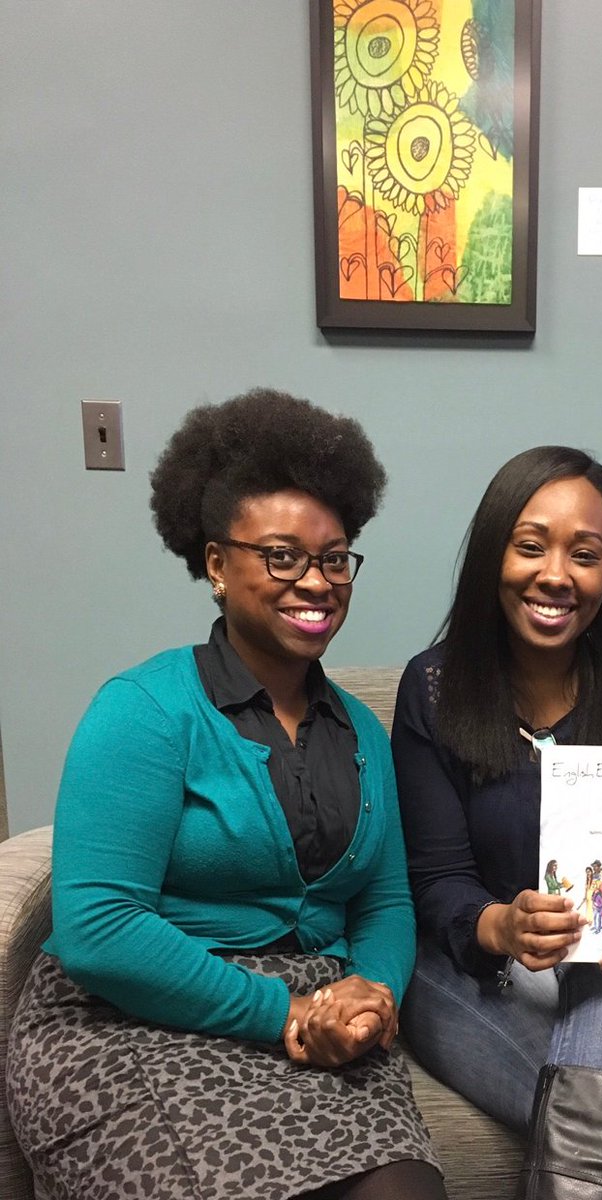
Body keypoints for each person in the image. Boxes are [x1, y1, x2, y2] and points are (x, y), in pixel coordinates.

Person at [6, 389, 446, 1200]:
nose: (314, 581)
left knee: (403, 1191)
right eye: (281, 555)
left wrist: (371, 998)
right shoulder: (145, 709)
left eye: (334, 556)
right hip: (132, 1018)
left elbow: (384, 904)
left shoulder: (361, 733)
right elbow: (99, 930)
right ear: (216, 564)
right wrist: (279, 1011)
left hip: (315, 1020)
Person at [389, 446, 602, 1199]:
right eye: (530, 546)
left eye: (585, 554)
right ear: (491, 557)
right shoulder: (433, 687)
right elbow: (436, 883)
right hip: (476, 972)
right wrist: (501, 927)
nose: (555, 575)